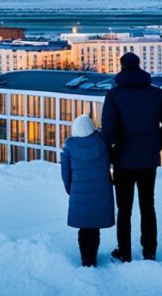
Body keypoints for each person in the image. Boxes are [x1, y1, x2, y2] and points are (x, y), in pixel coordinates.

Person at [100, 52, 162, 263]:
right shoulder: (156, 93)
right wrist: (155, 145)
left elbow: (108, 132)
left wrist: (110, 154)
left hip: (123, 161)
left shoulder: (114, 95)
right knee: (147, 206)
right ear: (139, 66)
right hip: (148, 161)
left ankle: (124, 253)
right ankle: (149, 252)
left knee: (124, 210)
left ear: (122, 67)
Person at [60, 114, 115, 267]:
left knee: (84, 229)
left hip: (79, 193)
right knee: (94, 228)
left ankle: (86, 258)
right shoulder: (103, 142)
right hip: (101, 193)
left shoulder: (69, 147)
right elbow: (113, 162)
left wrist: (71, 191)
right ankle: (93, 257)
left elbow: (66, 174)